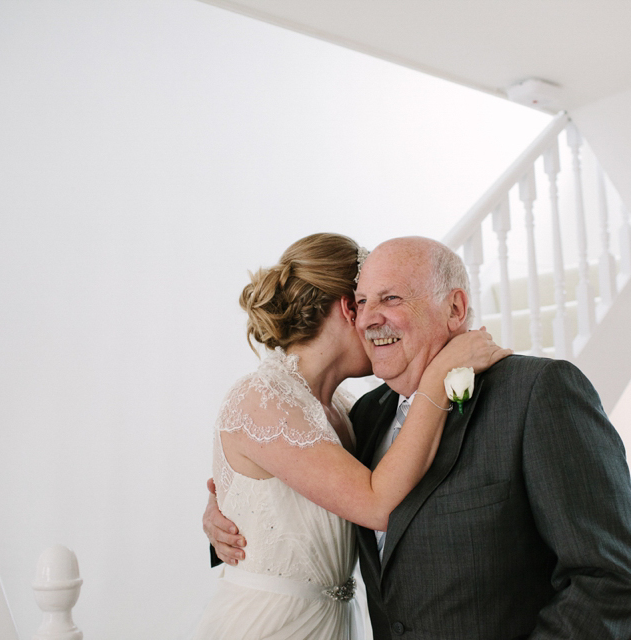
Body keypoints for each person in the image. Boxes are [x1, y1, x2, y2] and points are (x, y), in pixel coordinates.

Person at [207, 235, 631, 639]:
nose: (368, 318)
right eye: (361, 301)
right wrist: (223, 517)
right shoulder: (363, 416)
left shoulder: (537, 394)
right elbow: (297, 502)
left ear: (456, 310)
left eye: (391, 298)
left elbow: (616, 580)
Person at [193, 233, 510, 640]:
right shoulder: (262, 398)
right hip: (270, 625)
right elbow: (376, 503)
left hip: (332, 624)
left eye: (390, 300)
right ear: (349, 309)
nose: (376, 324)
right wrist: (438, 375)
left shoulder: (347, 408)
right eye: (366, 303)